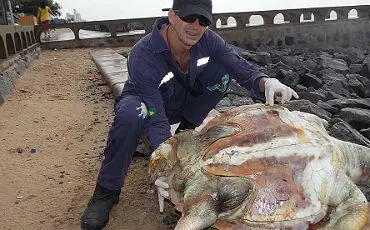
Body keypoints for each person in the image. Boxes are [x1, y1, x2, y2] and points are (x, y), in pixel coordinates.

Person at [80, 0, 298, 229]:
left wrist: (265, 82)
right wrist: (166, 166)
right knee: (130, 115)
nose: (195, 25)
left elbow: (238, 65)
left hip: (183, 101)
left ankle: (185, 132)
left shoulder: (208, 40)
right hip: (148, 103)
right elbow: (155, 116)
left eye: (203, 20)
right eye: (189, 18)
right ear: (172, 16)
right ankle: (106, 191)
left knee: (223, 71)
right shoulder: (142, 54)